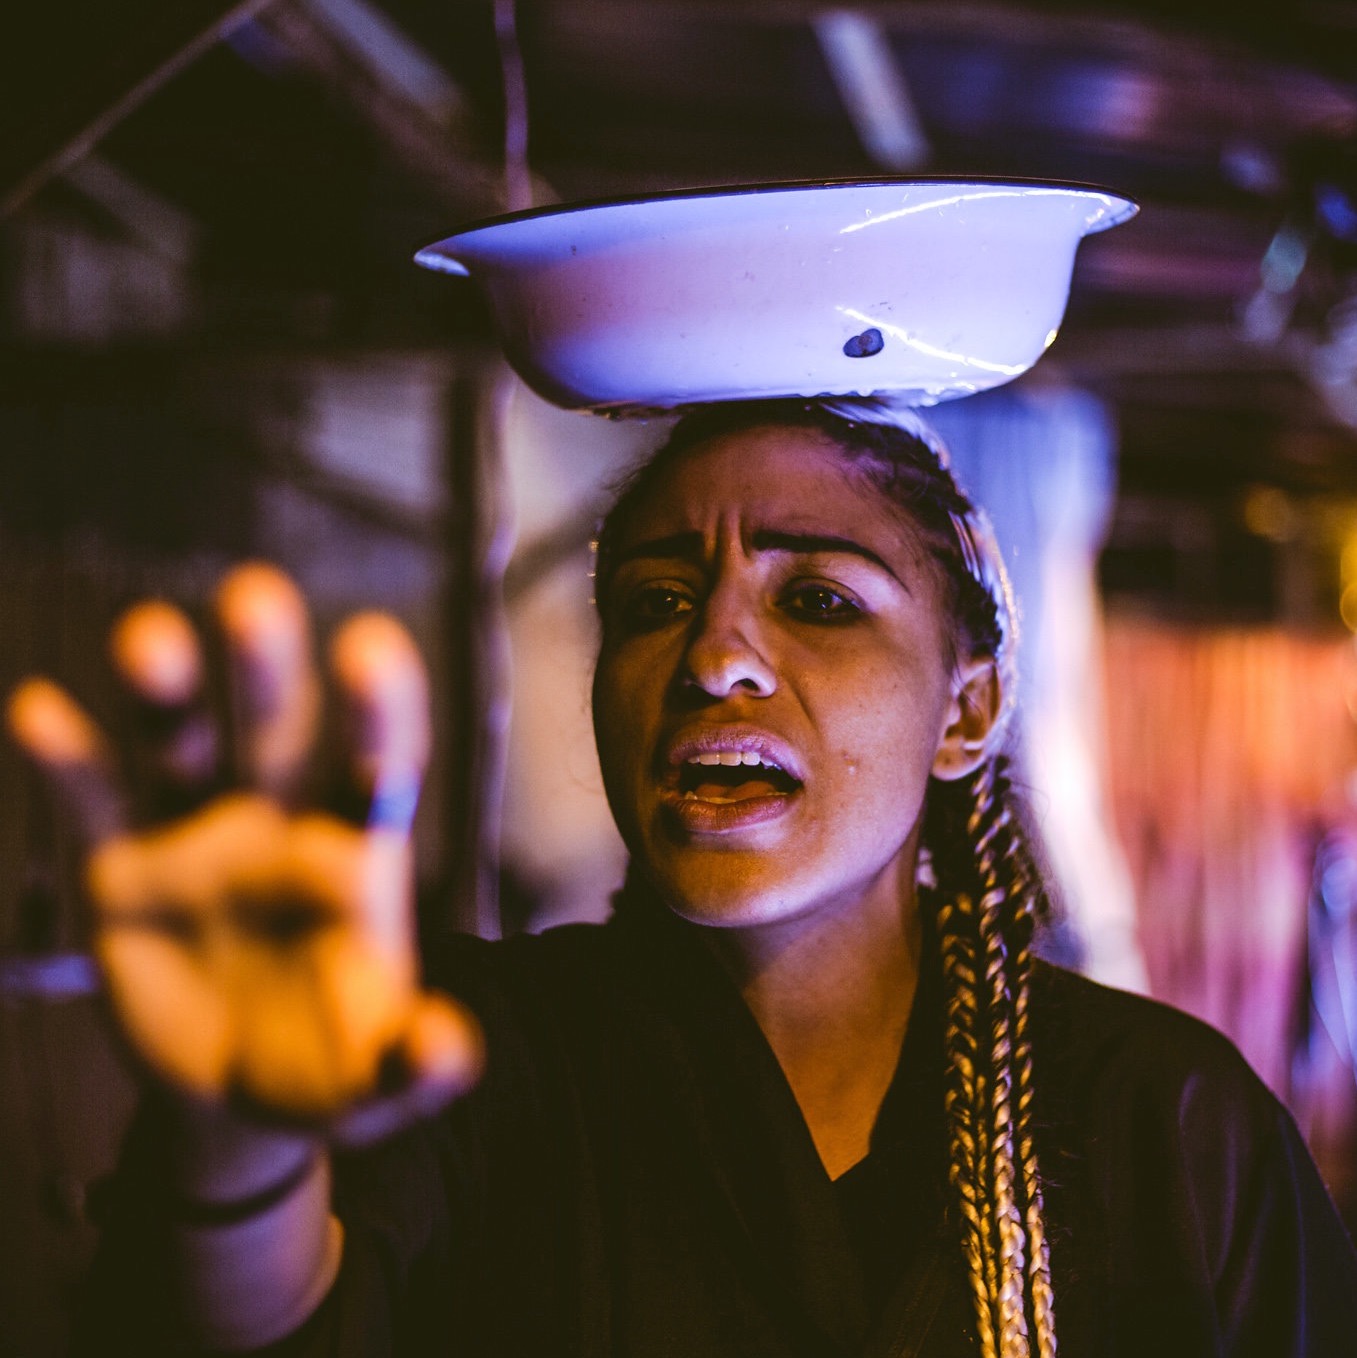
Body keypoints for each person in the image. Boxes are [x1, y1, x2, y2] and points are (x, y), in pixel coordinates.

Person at [9, 397, 1357, 1358]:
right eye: (654, 601)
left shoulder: (1169, 1124)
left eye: (817, 600)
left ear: (968, 710)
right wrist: (239, 1139)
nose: (713, 658)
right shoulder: (458, 1050)